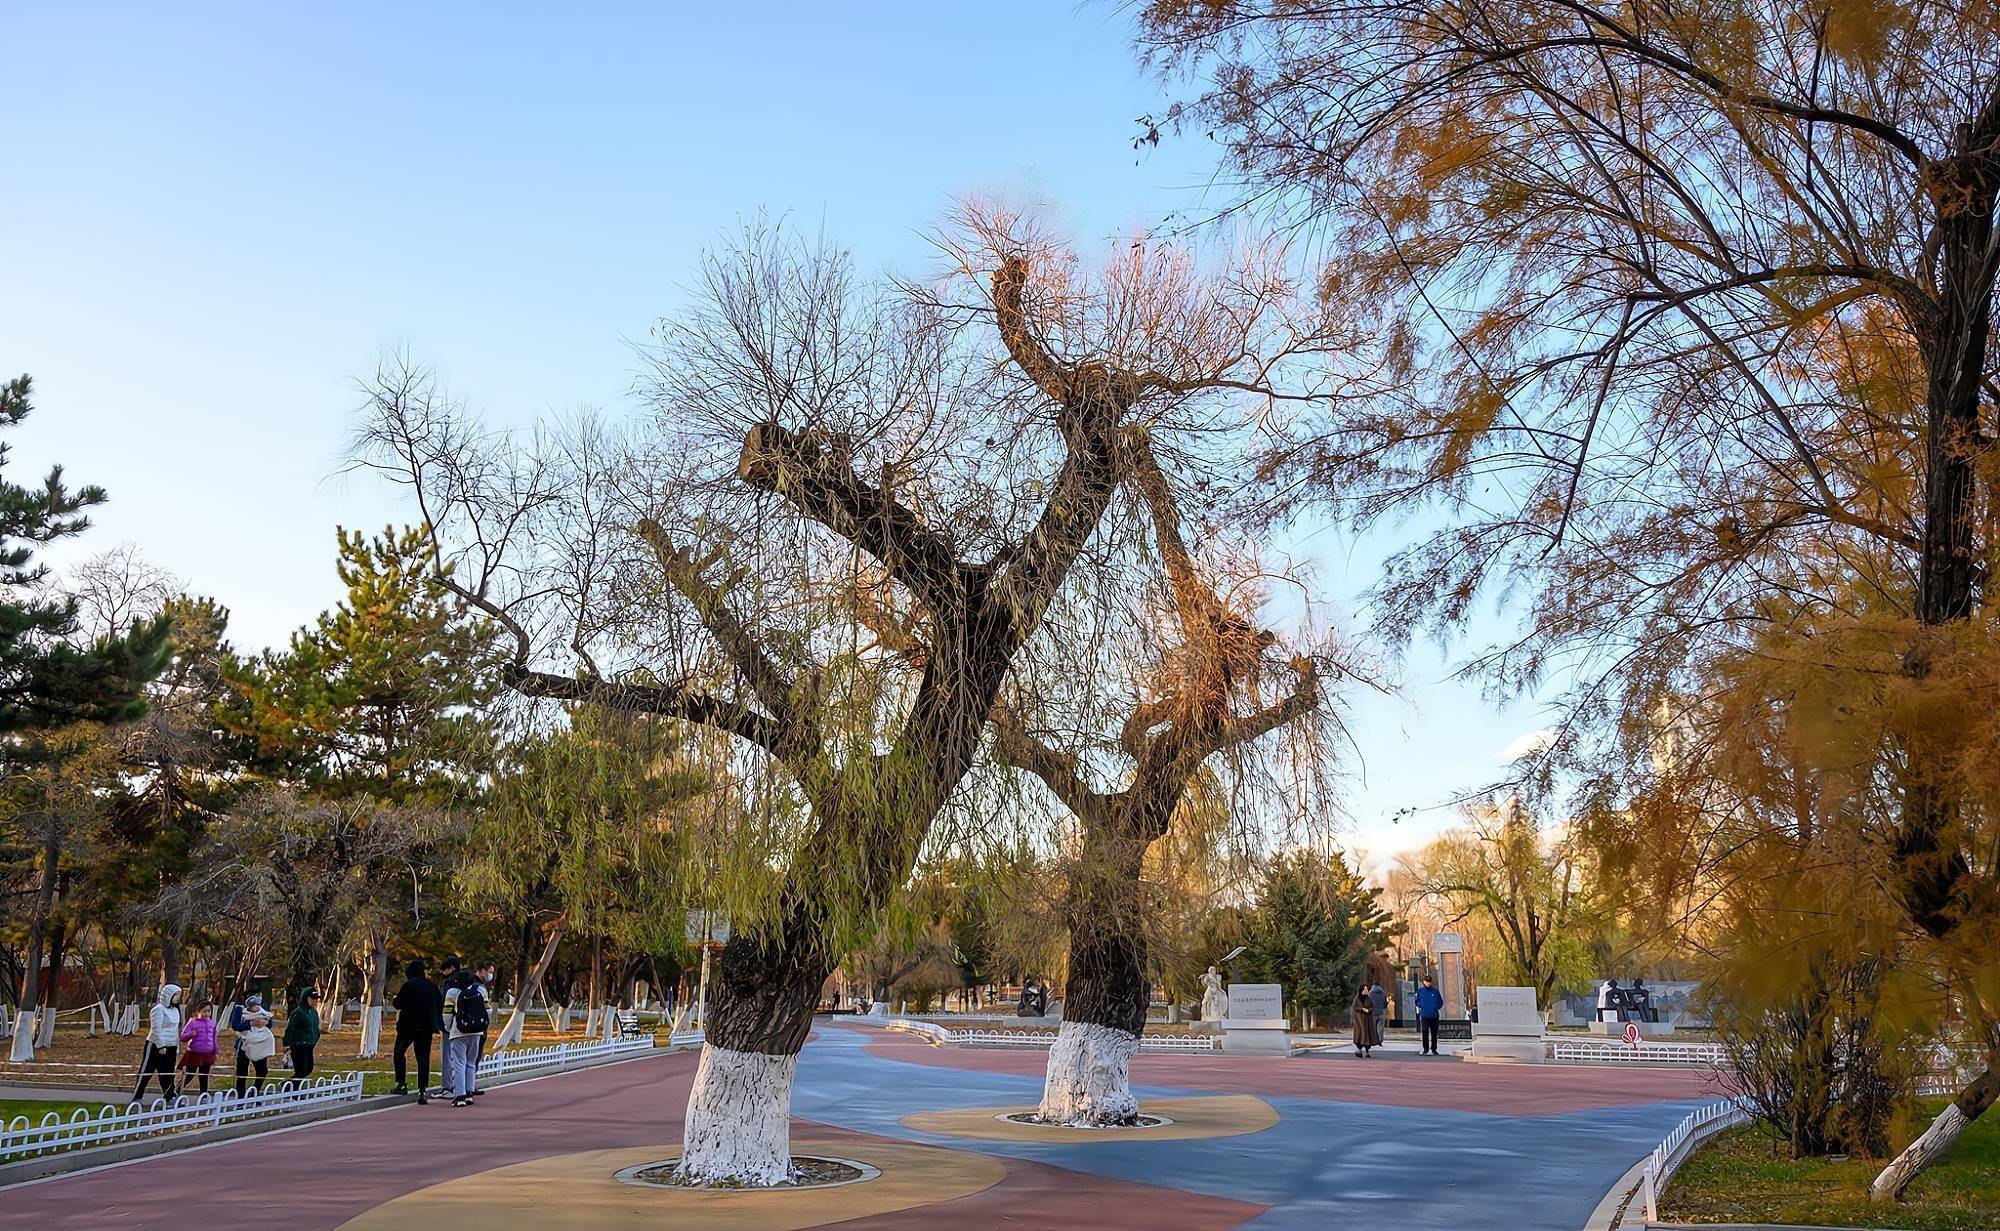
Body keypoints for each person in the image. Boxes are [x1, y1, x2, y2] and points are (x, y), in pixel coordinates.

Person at [391, 958, 442, 1103]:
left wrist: (395, 999)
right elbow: (439, 1005)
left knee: (399, 1052)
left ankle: (401, 1084)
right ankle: (422, 1090)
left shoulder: (408, 985)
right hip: (426, 1028)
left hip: (407, 1027)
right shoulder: (432, 987)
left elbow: (398, 1004)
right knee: (423, 1058)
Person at [443, 963, 490, 1107]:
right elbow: (488, 1011)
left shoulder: (452, 993)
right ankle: (469, 1093)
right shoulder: (480, 990)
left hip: (458, 1032)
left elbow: (446, 1014)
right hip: (476, 1032)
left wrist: (449, 1027)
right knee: (471, 1062)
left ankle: (460, 1095)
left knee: (458, 1063)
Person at [133, 983, 184, 1102]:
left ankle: (169, 1096)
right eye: (175, 995)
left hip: (171, 1046)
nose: (177, 998)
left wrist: (176, 1047)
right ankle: (137, 1096)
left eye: (178, 995)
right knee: (146, 1072)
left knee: (168, 1073)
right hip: (155, 1046)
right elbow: (156, 1029)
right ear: (168, 995)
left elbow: (174, 1030)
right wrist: (161, 1046)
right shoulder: (158, 1009)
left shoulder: (175, 1011)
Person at [428, 955, 463, 1097]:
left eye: (445, 969)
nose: (443, 973)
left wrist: (443, 1024)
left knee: (447, 1056)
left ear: (452, 968)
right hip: (467, 1025)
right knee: (462, 1058)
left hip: (450, 1025)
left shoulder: (450, 983)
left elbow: (444, 1004)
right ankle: (463, 1087)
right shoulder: (467, 981)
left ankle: (447, 1086)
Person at [232, 993, 278, 1095]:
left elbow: (269, 1021)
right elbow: (235, 1026)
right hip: (245, 1042)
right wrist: (250, 1024)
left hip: (260, 1041)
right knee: (242, 1072)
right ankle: (240, 1096)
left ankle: (254, 1092)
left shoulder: (263, 1008)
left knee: (262, 1070)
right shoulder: (239, 1009)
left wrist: (266, 1022)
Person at [466, 960, 498, 1099]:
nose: (491, 975)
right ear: (482, 970)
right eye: (490, 972)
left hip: (467, 1026)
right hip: (477, 1026)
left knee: (470, 1058)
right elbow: (487, 1010)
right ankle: (468, 1086)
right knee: (472, 1058)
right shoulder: (478, 987)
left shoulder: (471, 984)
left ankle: (469, 1085)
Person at [178, 1000, 219, 1093]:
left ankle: (203, 1094)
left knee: (204, 1075)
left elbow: (214, 1037)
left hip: (208, 1053)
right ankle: (177, 1091)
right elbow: (182, 1037)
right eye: (204, 1011)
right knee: (189, 1074)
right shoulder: (192, 1022)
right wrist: (190, 1035)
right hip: (194, 1052)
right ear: (198, 1012)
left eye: (209, 1011)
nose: (207, 1013)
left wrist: (215, 1049)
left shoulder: (212, 1023)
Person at [284, 987, 321, 1081]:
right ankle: (292, 1089)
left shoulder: (313, 1012)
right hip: (298, 1045)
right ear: (306, 998)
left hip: (309, 1045)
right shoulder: (298, 1012)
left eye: (316, 999)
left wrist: (315, 1037)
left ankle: (291, 1086)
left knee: (308, 1069)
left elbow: (315, 1026)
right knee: (301, 1070)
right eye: (312, 999)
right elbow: (290, 1029)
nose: (315, 1001)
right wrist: (286, 1043)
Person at [1414, 974, 1445, 1055]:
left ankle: (1434, 1049)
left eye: (1429, 982)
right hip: (1424, 1015)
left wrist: (1436, 1007)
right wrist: (1420, 1004)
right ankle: (1425, 1049)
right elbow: (1416, 1001)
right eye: (1427, 982)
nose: (1428, 983)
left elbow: (1440, 1002)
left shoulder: (1435, 991)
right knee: (1425, 1032)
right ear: (1424, 982)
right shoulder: (1420, 991)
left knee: (1434, 1033)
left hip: (1434, 1015)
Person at [1351, 986, 1376, 1058]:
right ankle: (1359, 1050)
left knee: (1367, 1034)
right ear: (1361, 990)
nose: (1366, 991)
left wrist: (1369, 1010)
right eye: (1365, 989)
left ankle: (1367, 1051)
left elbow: (1373, 1007)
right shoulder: (1357, 998)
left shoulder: (1369, 998)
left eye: (1367, 989)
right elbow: (1354, 1007)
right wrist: (1361, 1009)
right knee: (1360, 1034)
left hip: (1367, 1020)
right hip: (1359, 1020)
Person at [1369, 980, 1389, 1047]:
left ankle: (1373, 1041)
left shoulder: (1370, 993)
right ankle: (1380, 1040)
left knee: (1373, 1028)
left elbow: (1368, 1003)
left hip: (1373, 1013)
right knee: (1380, 1028)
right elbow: (1385, 1004)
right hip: (1381, 1012)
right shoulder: (1383, 993)